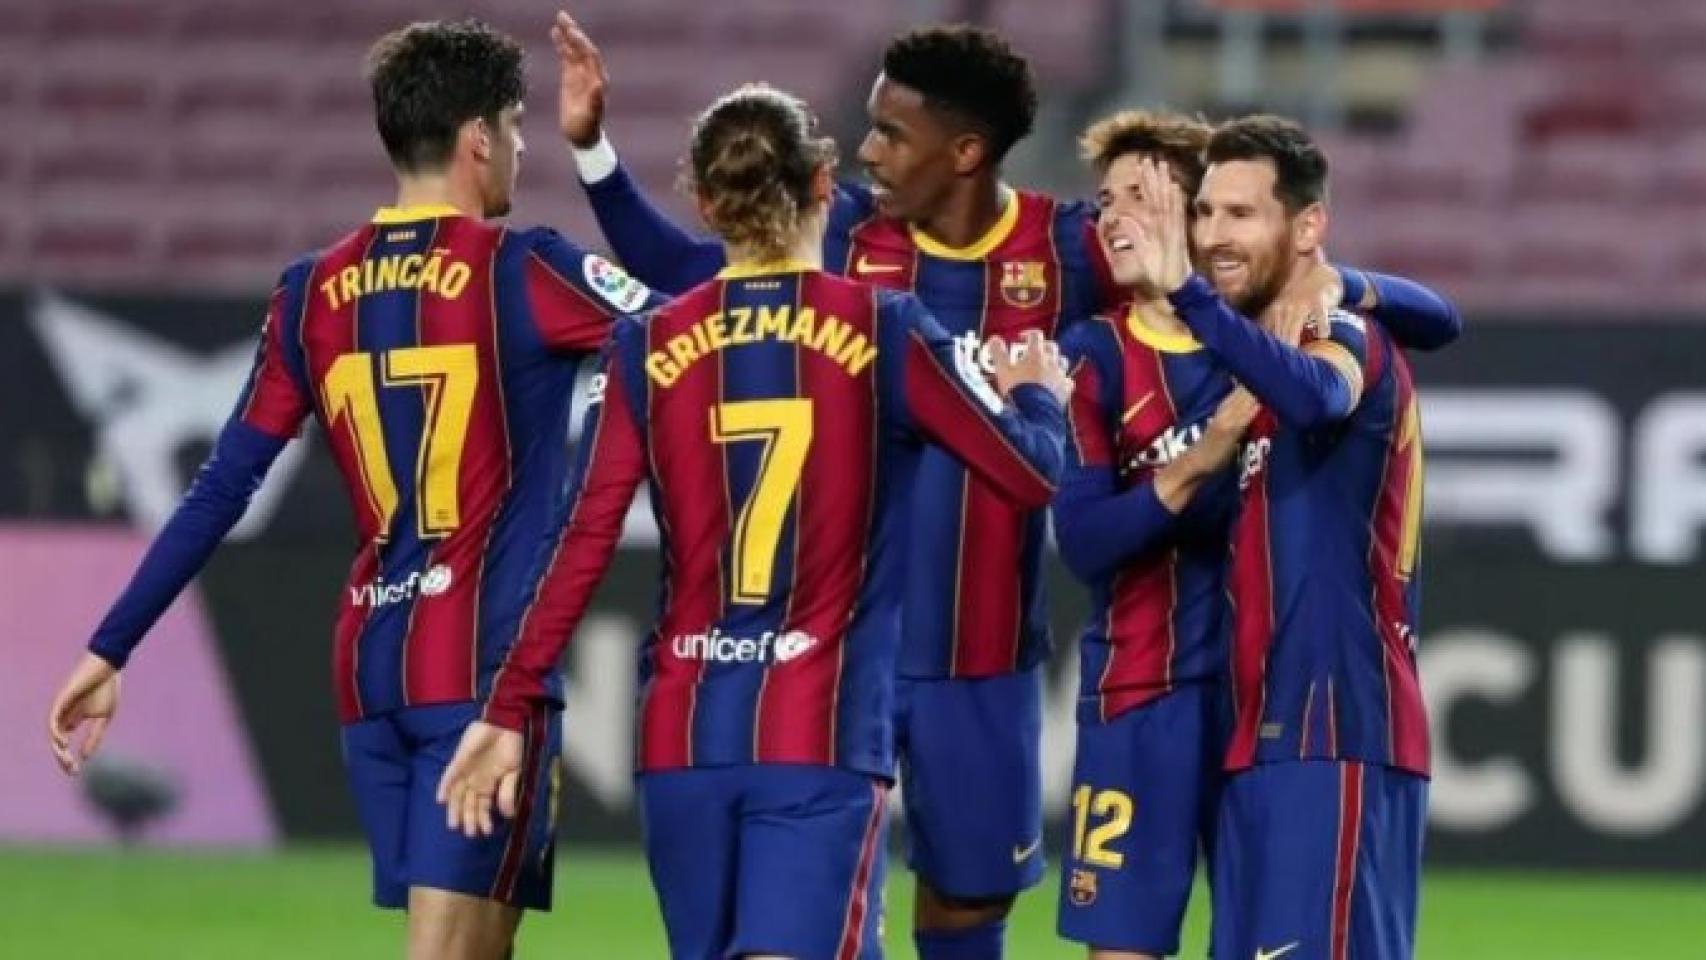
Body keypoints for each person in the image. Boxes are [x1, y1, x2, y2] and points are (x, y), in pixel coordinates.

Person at [551, 12, 1461, 953]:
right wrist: (594, 157)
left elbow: (1386, 313)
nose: (866, 154)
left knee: (970, 899)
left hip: (982, 650)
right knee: (824, 912)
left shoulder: (1068, 250)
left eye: (891, 133)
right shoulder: (847, 238)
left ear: (965, 150)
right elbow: (690, 272)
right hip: (841, 649)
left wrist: (1349, 285)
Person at [44, 19, 659, 959]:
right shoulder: (527, 270)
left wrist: (109, 642)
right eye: (518, 124)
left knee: (476, 948)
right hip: (485, 673)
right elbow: (712, 339)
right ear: (478, 138)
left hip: (374, 667)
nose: (525, 147)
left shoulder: (311, 292)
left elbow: (221, 487)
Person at [434, 82, 1073, 960]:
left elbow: (578, 540)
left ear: (702, 201)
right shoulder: (885, 328)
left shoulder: (648, 344)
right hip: (817, 735)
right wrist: (1038, 391)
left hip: (683, 744)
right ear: (824, 185)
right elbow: (1031, 473)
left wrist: (506, 707)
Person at [1125, 115, 1432, 960]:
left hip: (1335, 730)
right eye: (1205, 214)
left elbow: (1320, 398)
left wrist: (1189, 292)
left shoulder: (1345, 337)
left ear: (1306, 228)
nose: (1213, 236)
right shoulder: (1256, 357)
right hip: (1263, 735)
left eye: (1240, 215)